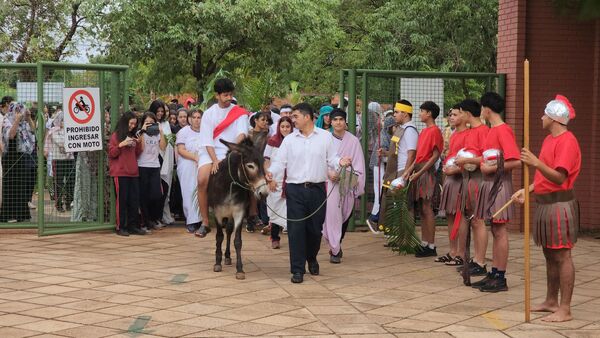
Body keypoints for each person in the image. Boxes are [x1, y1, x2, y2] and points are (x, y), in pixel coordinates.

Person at [512, 94, 580, 322]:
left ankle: (566, 308)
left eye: (544, 114)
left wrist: (535, 162)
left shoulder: (568, 141)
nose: (541, 117)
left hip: (559, 204)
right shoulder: (549, 140)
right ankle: (552, 301)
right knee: (550, 255)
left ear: (553, 118)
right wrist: (528, 189)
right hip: (545, 203)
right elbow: (544, 176)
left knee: (562, 255)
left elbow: (560, 178)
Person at [266, 102, 351, 284]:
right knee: (296, 230)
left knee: (314, 229)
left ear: (307, 117)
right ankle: (297, 269)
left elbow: (332, 159)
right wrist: (271, 173)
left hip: (317, 189)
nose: (292, 119)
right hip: (295, 190)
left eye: (295, 116)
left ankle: (311, 257)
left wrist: (341, 162)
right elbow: (280, 162)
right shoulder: (289, 140)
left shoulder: (325, 137)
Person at [469, 92, 521, 292]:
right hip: (489, 183)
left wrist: (491, 168)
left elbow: (515, 160)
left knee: (500, 230)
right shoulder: (492, 131)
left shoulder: (503, 130)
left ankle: (500, 276)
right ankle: (494, 272)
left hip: (499, 184)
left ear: (487, 110)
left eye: (482, 108)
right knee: (494, 229)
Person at [197, 78, 249, 237]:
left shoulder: (239, 113)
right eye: (225, 95)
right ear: (217, 95)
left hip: (231, 152)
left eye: (230, 94)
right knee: (202, 179)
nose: (228, 98)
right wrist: (214, 161)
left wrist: (230, 156)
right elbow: (206, 140)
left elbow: (242, 135)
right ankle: (205, 222)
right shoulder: (208, 114)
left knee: (248, 177)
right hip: (210, 151)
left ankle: (251, 214)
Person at [322, 108, 366, 264]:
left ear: (345, 122)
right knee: (331, 216)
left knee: (344, 217)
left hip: (347, 185)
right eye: (335, 120)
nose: (338, 122)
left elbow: (359, 165)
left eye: (341, 119)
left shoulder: (353, 141)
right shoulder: (325, 139)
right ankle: (335, 249)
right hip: (329, 185)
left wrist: (346, 177)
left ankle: (337, 243)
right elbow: (321, 161)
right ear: (331, 122)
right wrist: (329, 173)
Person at [454, 99, 489, 277]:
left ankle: (480, 261)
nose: (458, 116)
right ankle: (475, 259)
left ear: (467, 113)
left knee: (478, 220)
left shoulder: (483, 131)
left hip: (478, 178)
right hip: (467, 177)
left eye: (460, 113)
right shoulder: (469, 132)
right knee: (472, 219)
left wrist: (467, 160)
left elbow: (486, 156)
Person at [406, 101, 443, 257]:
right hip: (418, 171)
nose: (419, 113)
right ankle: (424, 242)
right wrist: (408, 171)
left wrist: (420, 173)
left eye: (422, 111)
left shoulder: (435, 131)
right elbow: (418, 155)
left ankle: (431, 245)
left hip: (425, 173)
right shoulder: (424, 131)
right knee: (422, 209)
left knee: (427, 209)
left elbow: (435, 156)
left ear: (429, 113)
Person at [377, 99, 418, 230]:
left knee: (404, 206)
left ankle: (406, 238)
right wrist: (385, 152)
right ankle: (398, 236)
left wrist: (404, 175)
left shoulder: (410, 130)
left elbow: (411, 154)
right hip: (396, 171)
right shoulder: (402, 128)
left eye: (397, 112)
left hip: (402, 171)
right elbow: (399, 151)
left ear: (405, 114)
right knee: (396, 206)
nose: (394, 115)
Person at [437, 105, 468, 265]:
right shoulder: (453, 134)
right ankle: (452, 250)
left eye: (455, 114)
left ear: (464, 116)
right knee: (450, 214)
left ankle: (461, 253)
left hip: (460, 178)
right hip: (449, 176)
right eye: (450, 115)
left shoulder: (467, 135)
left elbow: (469, 159)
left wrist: (455, 169)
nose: (451, 117)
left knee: (459, 215)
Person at [108, 111, 145, 236]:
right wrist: (121, 145)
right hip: (120, 173)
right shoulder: (116, 135)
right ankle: (121, 226)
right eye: (131, 123)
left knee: (134, 201)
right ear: (125, 122)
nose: (133, 126)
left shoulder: (133, 135)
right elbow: (112, 153)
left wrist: (139, 143)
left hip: (133, 172)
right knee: (122, 201)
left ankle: (133, 225)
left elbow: (137, 153)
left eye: (135, 124)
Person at [1, 102, 36, 223]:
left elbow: (33, 130)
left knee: (21, 185)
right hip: (10, 157)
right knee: (10, 186)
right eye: (17, 111)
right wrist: (16, 120)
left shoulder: (24, 123)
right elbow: (10, 135)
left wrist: (28, 117)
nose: (19, 114)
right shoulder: (6, 121)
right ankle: (9, 214)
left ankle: (21, 213)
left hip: (21, 157)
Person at [263, 116, 293, 249]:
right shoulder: (272, 141)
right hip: (276, 181)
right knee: (275, 210)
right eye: (283, 127)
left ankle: (294, 238)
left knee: (292, 212)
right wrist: (270, 179)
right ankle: (275, 237)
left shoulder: (296, 141)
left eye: (288, 126)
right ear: (278, 127)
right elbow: (266, 161)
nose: (285, 129)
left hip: (292, 181)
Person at [136, 112, 167, 231]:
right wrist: (144, 131)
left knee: (156, 194)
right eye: (147, 123)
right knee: (143, 195)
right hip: (142, 166)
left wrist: (161, 131)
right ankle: (145, 222)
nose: (150, 125)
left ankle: (154, 219)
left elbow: (163, 147)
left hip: (155, 166)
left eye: (152, 123)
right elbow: (141, 148)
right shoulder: (140, 133)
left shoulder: (157, 134)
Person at [366, 113, 395, 233]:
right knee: (380, 194)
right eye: (394, 126)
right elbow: (382, 156)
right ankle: (374, 218)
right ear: (389, 127)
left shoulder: (391, 136)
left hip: (387, 167)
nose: (395, 128)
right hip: (380, 167)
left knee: (384, 194)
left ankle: (379, 220)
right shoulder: (383, 137)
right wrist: (390, 155)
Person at [176, 109, 204, 234]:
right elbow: (181, 150)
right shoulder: (183, 132)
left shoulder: (206, 132)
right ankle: (191, 221)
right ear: (189, 119)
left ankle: (201, 219)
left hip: (202, 165)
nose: (197, 120)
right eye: (194, 117)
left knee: (201, 191)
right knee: (189, 191)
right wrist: (194, 157)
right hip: (187, 164)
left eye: (199, 117)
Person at [149, 100, 175, 226]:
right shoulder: (149, 123)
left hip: (166, 159)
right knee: (154, 191)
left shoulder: (166, 124)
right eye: (157, 111)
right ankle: (152, 217)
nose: (159, 113)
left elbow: (169, 142)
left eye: (161, 111)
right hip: (153, 159)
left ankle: (160, 216)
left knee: (164, 190)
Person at [248, 111, 272, 233]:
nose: (265, 122)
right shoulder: (249, 134)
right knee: (251, 192)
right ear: (255, 120)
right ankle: (251, 219)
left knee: (261, 193)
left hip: (263, 166)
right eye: (262, 120)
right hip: (250, 167)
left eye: (267, 120)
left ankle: (262, 219)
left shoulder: (268, 136)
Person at [48, 112, 75, 213]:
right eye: (63, 120)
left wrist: (69, 142)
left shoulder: (71, 130)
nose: (65, 122)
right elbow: (61, 142)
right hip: (58, 160)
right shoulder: (54, 131)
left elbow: (74, 141)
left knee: (70, 182)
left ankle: (69, 202)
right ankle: (58, 204)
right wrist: (69, 142)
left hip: (70, 159)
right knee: (58, 182)